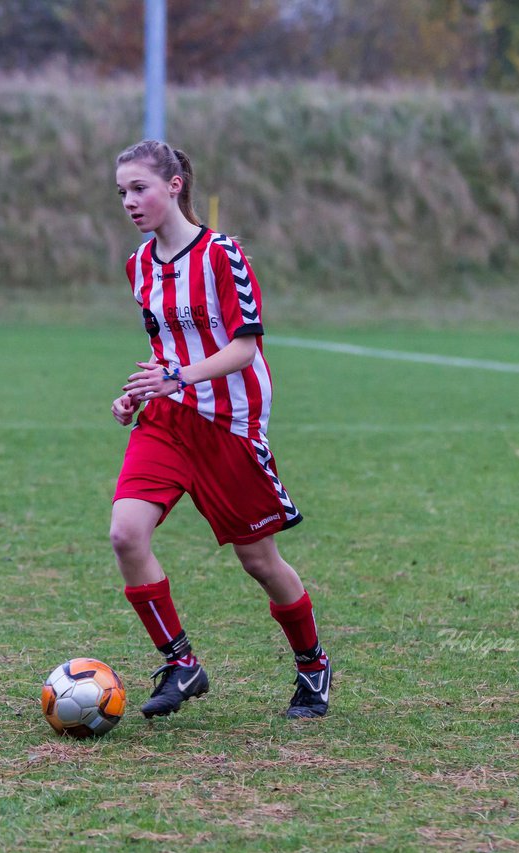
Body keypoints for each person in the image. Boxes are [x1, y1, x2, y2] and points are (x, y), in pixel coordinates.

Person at [110, 139, 331, 719]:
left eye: (140, 188)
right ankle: (182, 665)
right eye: (122, 193)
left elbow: (243, 347)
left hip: (230, 424)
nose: (130, 202)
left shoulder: (221, 255)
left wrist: (175, 376)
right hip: (168, 420)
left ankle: (312, 666)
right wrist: (137, 393)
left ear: (174, 185)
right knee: (126, 535)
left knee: (259, 562)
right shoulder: (138, 266)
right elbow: (164, 351)